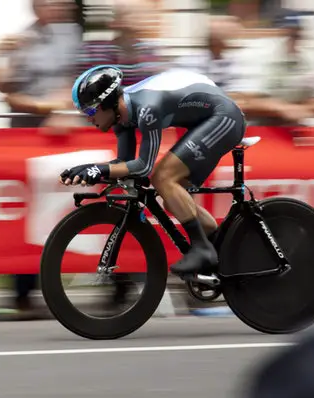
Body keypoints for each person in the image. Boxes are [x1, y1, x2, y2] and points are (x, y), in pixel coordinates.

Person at [60, 65, 246, 275]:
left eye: (91, 110)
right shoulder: (121, 119)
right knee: (172, 198)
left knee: (163, 178)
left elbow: (143, 167)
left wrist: (99, 170)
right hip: (206, 120)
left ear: (108, 102)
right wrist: (87, 170)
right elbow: (123, 163)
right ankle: (220, 247)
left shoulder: (147, 108)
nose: (88, 118)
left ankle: (202, 249)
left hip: (224, 117)